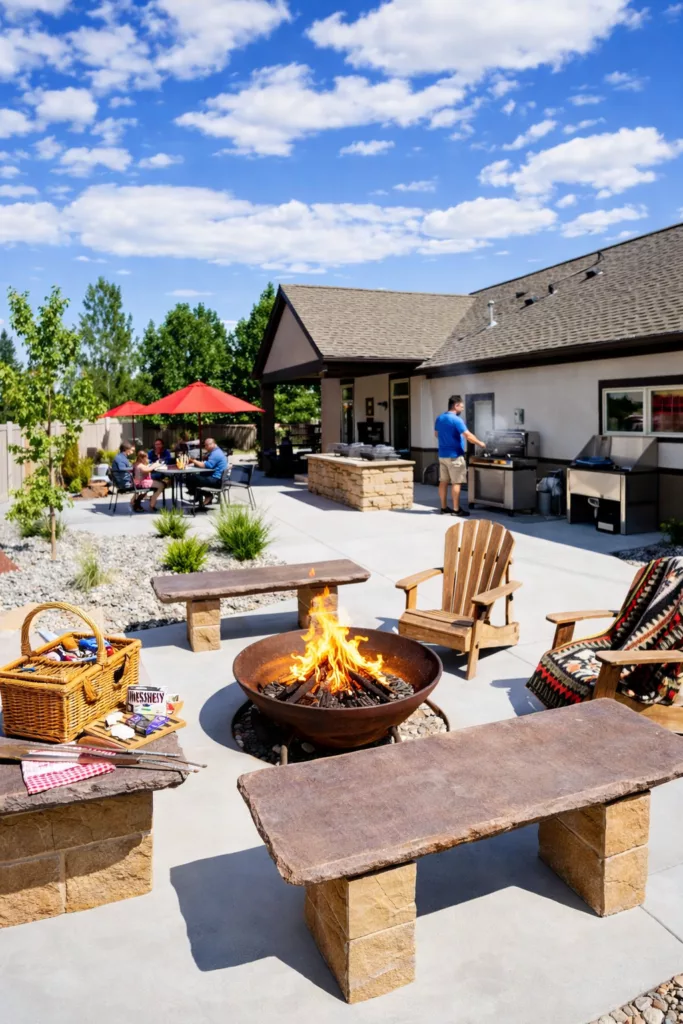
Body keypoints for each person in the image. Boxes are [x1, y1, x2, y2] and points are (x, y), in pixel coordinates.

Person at [434, 395, 485, 517]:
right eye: (461, 406)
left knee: (443, 481)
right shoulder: (456, 420)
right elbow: (468, 436)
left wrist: (448, 439)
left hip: (442, 455)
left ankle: (444, 507)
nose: (462, 409)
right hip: (455, 456)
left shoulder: (440, 418)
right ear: (456, 405)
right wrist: (480, 443)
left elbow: (436, 434)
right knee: (456, 483)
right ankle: (456, 510)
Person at [187, 437, 228, 507]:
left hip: (216, 480)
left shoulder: (216, 453)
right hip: (217, 478)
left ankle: (207, 495)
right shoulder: (216, 452)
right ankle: (199, 496)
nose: (205, 447)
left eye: (206, 445)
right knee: (194, 478)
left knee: (190, 478)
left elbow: (207, 465)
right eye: (205, 445)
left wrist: (193, 460)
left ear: (213, 444)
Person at [148, 437, 172, 511]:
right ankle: (155, 494)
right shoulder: (151, 452)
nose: (158, 446)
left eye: (159, 444)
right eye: (156, 444)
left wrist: (161, 461)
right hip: (154, 472)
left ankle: (155, 494)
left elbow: (168, 460)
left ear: (162, 445)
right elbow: (148, 462)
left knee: (171, 479)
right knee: (160, 481)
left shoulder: (166, 452)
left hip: (164, 471)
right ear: (154, 445)